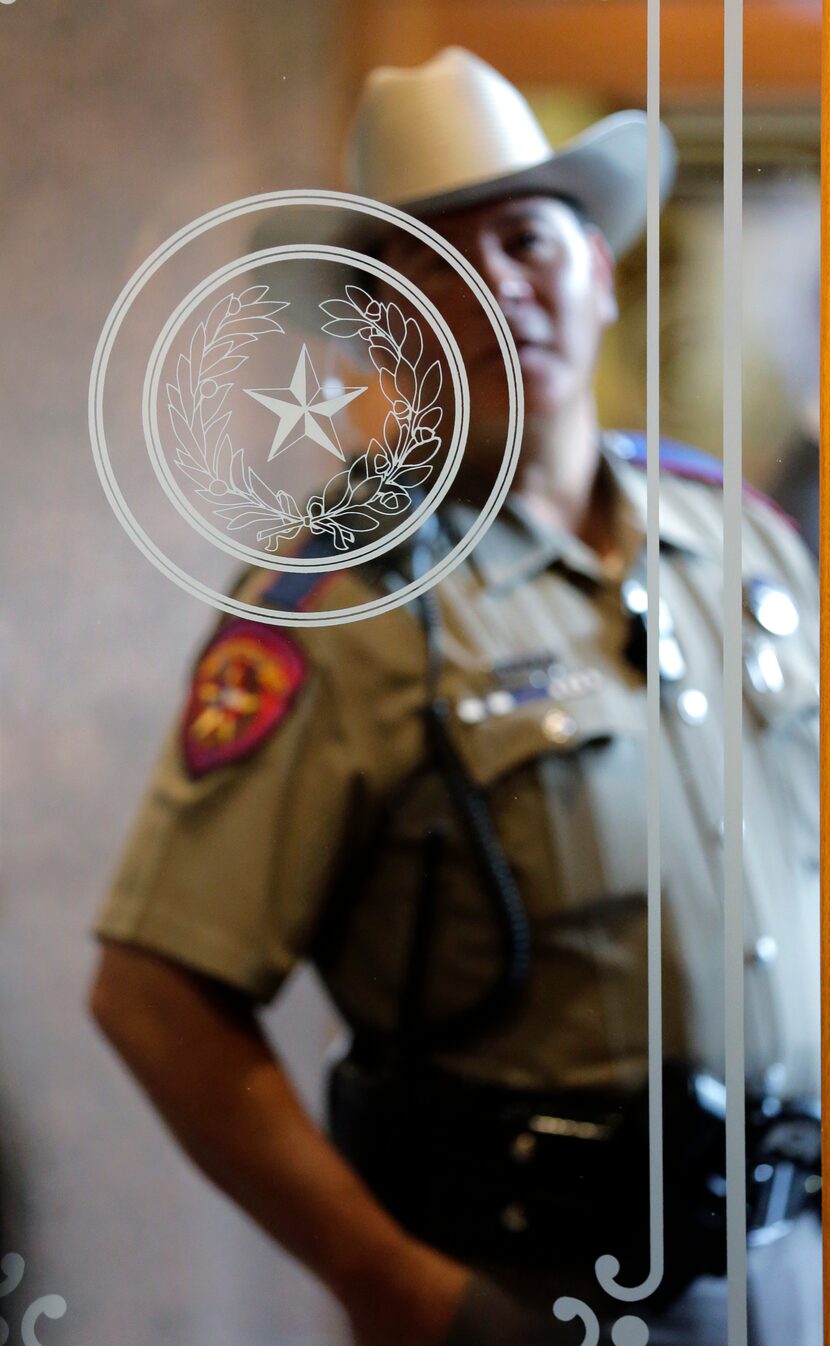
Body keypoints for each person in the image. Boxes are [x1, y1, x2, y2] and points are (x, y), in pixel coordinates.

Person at [88, 48, 821, 1346]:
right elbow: (153, 996)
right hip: (523, 1298)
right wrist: (401, 1292)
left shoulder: (742, 542)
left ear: (599, 271)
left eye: (529, 238)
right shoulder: (340, 604)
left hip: (788, 1272)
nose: (493, 289)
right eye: (430, 263)